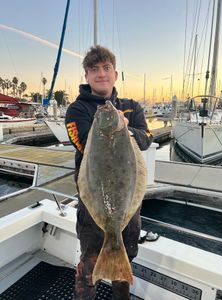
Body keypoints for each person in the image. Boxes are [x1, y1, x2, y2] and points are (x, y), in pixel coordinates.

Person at [65, 45, 153, 300]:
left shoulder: (131, 106)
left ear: (116, 74)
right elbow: (83, 142)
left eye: (106, 68)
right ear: (87, 76)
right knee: (90, 262)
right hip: (95, 200)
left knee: (125, 254)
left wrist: (126, 130)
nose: (101, 74)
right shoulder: (77, 110)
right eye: (94, 70)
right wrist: (113, 127)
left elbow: (146, 138)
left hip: (127, 200)